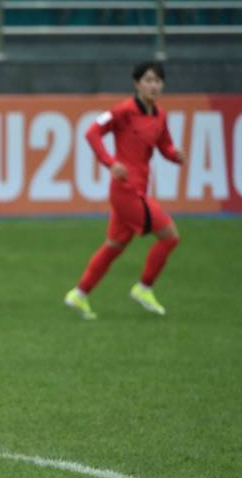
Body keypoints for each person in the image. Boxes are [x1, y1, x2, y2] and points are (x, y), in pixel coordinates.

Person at [64, 60, 186, 320]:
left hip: (139, 188)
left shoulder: (160, 115)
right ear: (136, 84)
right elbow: (92, 132)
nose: (154, 86)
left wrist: (174, 155)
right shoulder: (123, 111)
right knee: (170, 236)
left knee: (114, 245)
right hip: (126, 190)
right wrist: (110, 163)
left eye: (158, 81)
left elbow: (164, 145)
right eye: (148, 80)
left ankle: (79, 294)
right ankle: (144, 288)